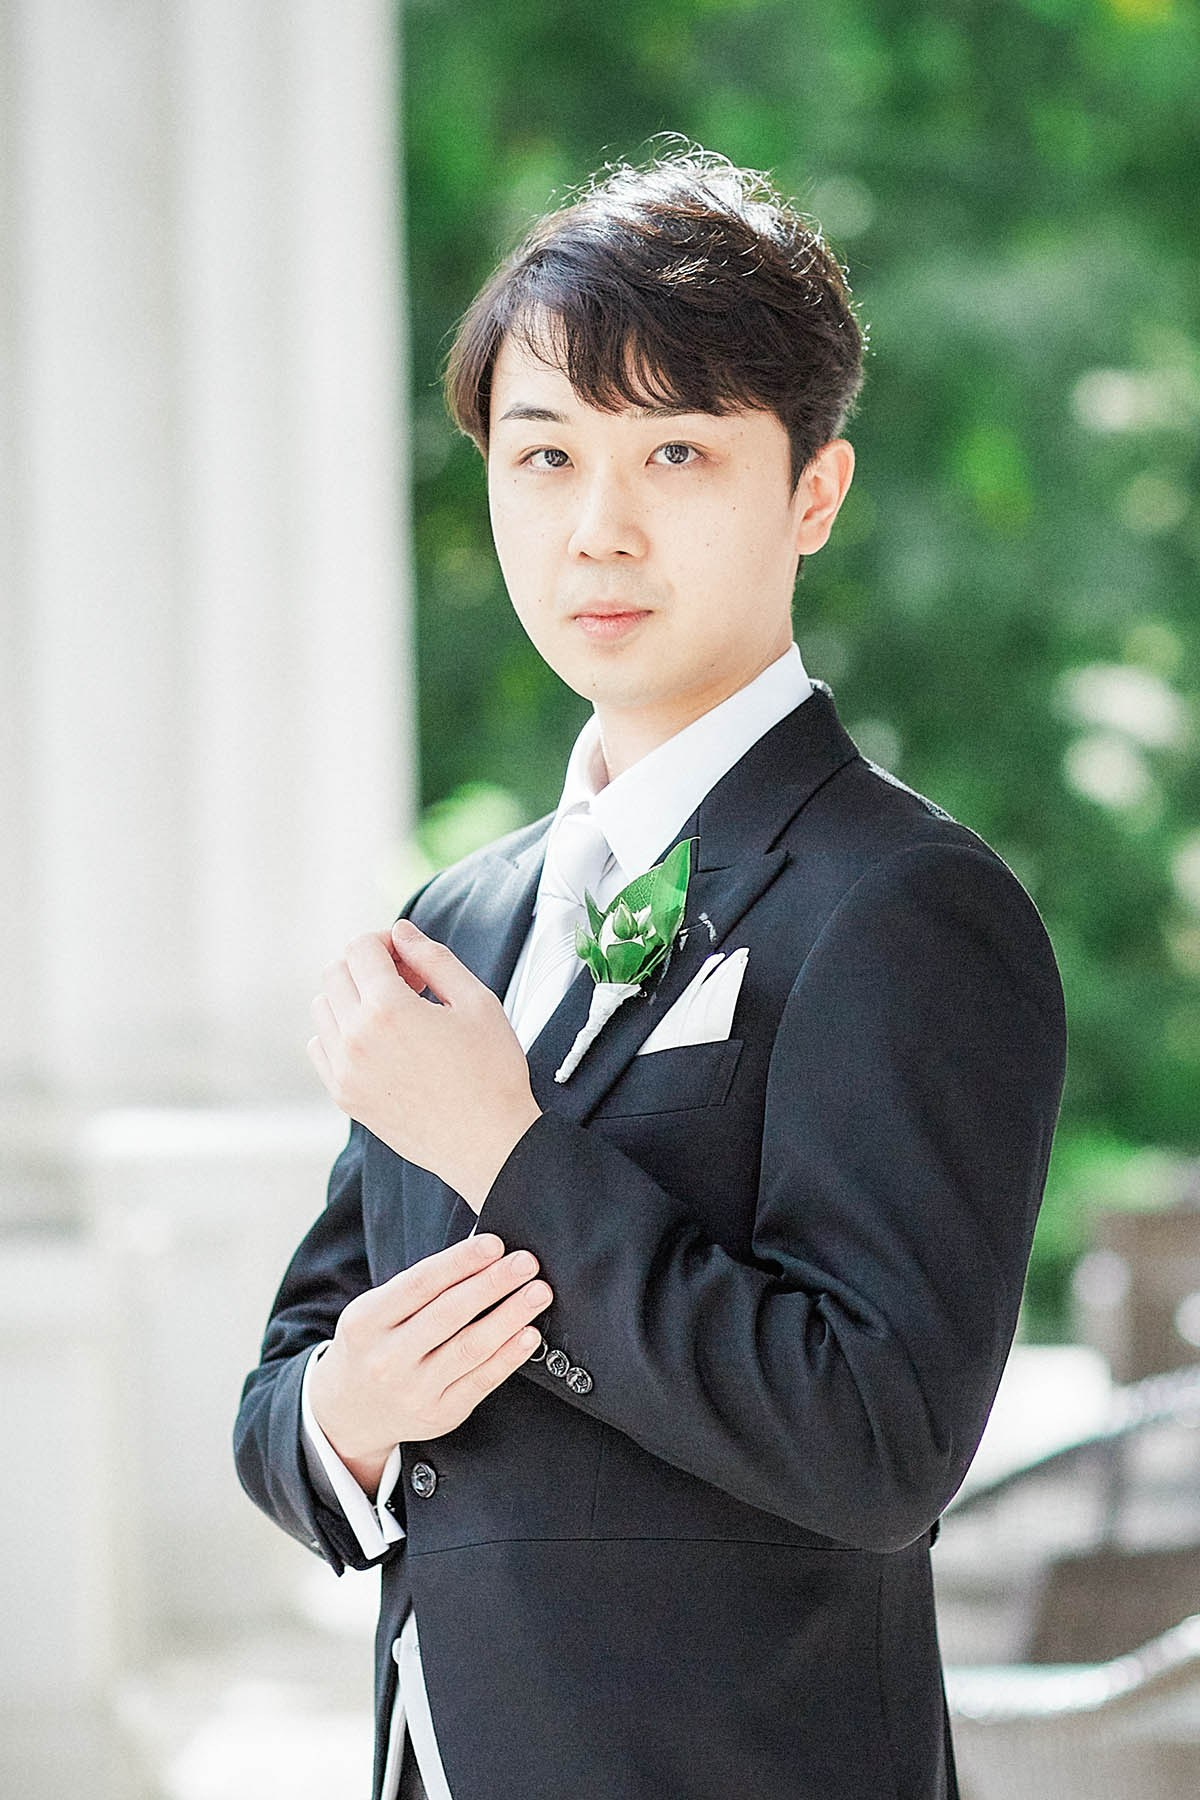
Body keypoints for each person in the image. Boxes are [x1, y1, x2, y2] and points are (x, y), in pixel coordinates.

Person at [234, 145, 1067, 1800]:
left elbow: (876, 1443)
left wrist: (507, 1152)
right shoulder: (460, 924)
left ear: (811, 492)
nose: (598, 527)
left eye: (675, 450)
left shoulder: (904, 906)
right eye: (544, 456)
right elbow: (286, 1390)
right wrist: (350, 1410)